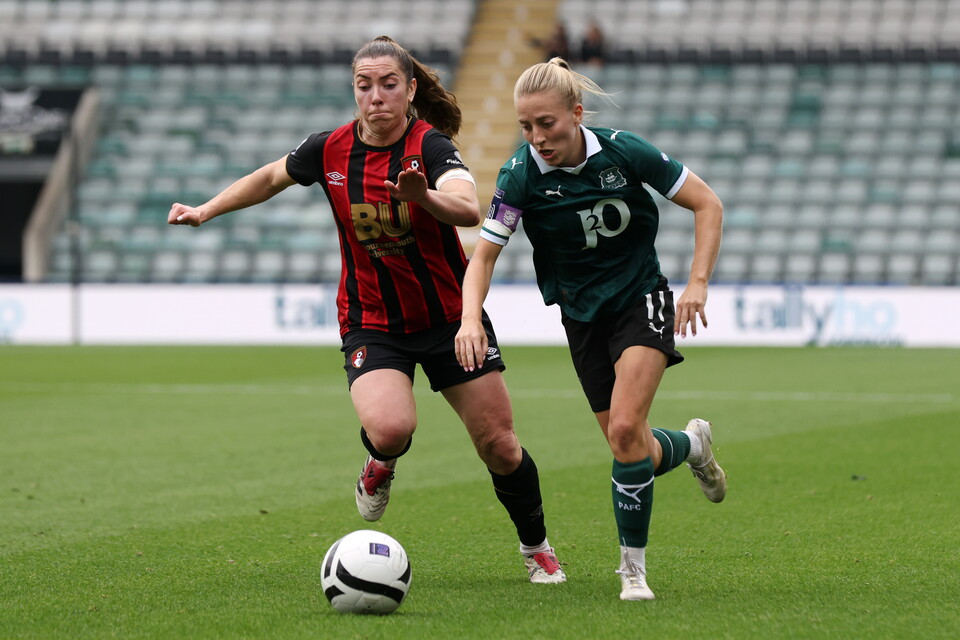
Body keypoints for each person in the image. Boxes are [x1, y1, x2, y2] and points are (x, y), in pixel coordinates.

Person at [167, 36, 565, 584]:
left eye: (388, 84)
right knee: (390, 429)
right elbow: (268, 177)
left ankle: (536, 546)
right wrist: (206, 210)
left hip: (450, 318)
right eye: (364, 85)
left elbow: (468, 208)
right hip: (372, 320)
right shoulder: (327, 148)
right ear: (354, 90)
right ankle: (379, 465)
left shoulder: (430, 147)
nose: (375, 95)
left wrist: (421, 196)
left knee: (499, 445)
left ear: (410, 90)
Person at [454, 58, 726, 601]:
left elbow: (706, 203)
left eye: (547, 123)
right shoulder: (520, 176)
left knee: (625, 432)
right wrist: (469, 319)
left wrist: (696, 283)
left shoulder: (625, 152)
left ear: (576, 114)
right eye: (526, 126)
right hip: (581, 318)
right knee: (635, 448)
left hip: (640, 300)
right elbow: (482, 257)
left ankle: (633, 570)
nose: (537, 137)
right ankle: (693, 444)